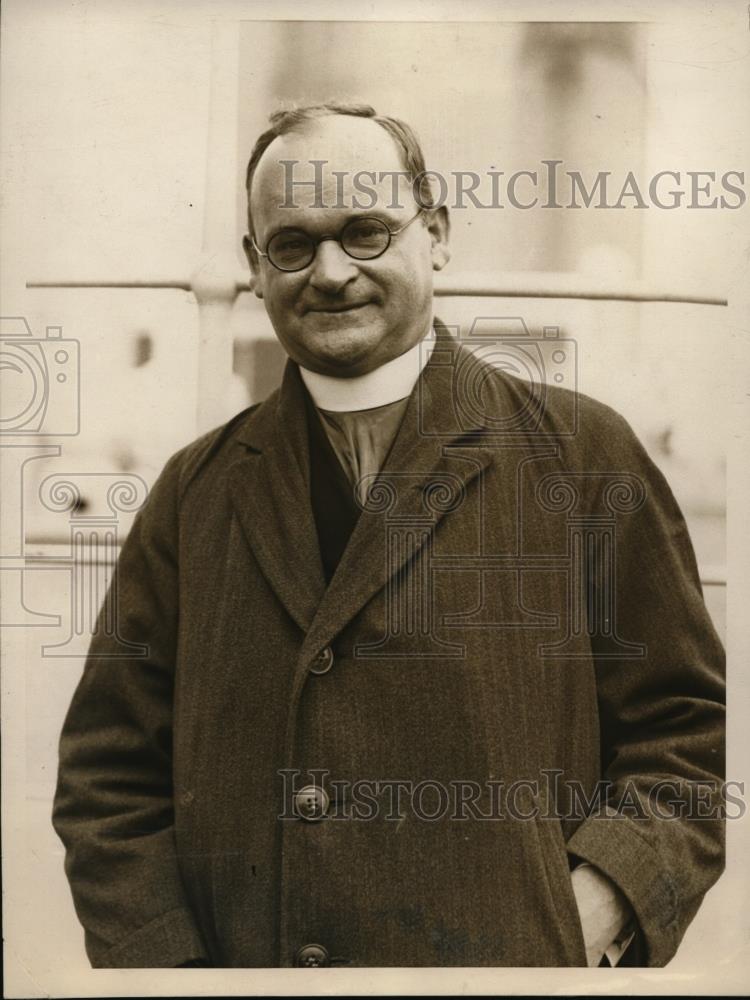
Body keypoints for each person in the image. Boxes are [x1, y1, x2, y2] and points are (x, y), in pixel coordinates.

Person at [52, 103, 725, 969]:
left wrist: (598, 906)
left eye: (366, 232)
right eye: (291, 244)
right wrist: (177, 980)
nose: (330, 272)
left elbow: (692, 729)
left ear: (436, 234)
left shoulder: (585, 456)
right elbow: (107, 778)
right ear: (255, 269)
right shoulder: (193, 492)